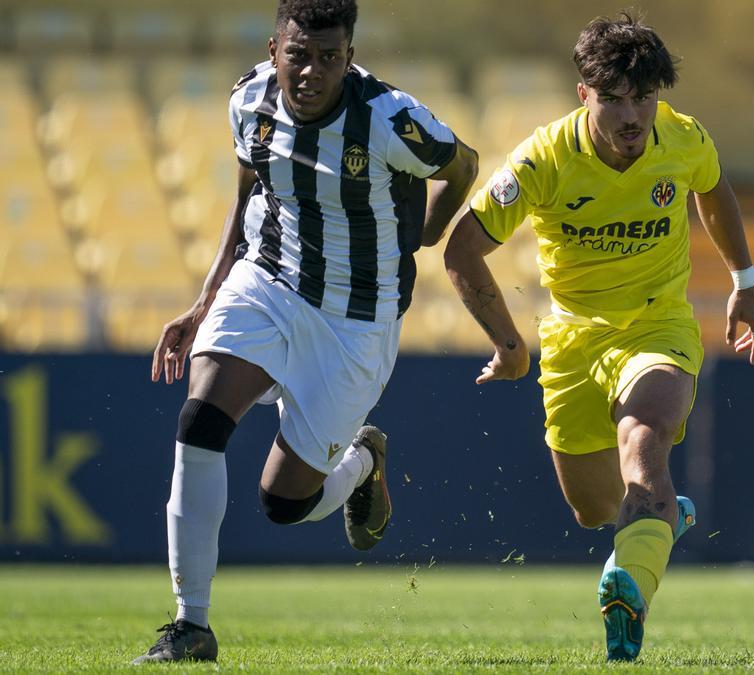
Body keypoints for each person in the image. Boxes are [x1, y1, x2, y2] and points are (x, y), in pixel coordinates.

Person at [132, 0, 478, 663]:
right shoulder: (248, 101)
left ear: (349, 55)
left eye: (329, 57)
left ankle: (367, 460)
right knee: (200, 418)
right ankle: (190, 623)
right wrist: (205, 298)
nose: (312, 72)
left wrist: (426, 234)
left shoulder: (386, 117)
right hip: (267, 282)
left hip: (356, 321)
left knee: (286, 503)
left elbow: (462, 163)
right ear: (274, 49)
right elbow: (248, 187)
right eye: (298, 55)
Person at [443, 11, 754, 662]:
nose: (631, 116)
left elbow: (713, 188)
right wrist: (508, 342)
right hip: (570, 338)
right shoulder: (544, 158)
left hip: (657, 324)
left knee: (644, 440)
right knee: (595, 510)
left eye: (643, 97)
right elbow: (461, 250)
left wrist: (745, 279)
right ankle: (664, 514)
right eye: (613, 98)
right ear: (583, 94)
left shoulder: (683, 138)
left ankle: (629, 591)